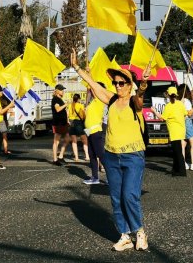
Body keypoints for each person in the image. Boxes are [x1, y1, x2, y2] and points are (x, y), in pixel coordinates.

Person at [72, 50, 149, 252]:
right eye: (115, 83)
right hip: (112, 156)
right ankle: (124, 235)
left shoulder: (134, 102)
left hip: (133, 156)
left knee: (129, 195)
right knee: (116, 197)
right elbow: (95, 86)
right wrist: (78, 68)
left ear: (129, 85)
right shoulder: (113, 100)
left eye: (121, 83)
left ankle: (139, 232)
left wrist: (142, 87)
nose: (117, 86)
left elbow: (140, 99)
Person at [151, 87, 186, 176]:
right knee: (176, 151)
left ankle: (182, 172)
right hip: (181, 130)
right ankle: (175, 170)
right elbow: (186, 114)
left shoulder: (168, 106)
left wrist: (154, 111)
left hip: (174, 131)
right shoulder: (180, 104)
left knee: (178, 152)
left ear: (168, 95)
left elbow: (162, 118)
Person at [83, 84, 106, 184]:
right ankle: (94, 177)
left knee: (101, 155)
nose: (91, 91)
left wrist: (89, 75)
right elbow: (89, 92)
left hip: (96, 131)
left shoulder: (99, 101)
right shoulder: (92, 102)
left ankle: (111, 177)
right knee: (92, 155)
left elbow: (93, 87)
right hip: (89, 132)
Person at [178, 84, 193, 171]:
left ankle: (183, 163)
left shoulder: (178, 101)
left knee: (183, 143)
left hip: (180, 123)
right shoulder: (186, 101)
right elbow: (189, 113)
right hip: (187, 122)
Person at [51, 84, 70, 165]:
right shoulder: (55, 99)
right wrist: (66, 104)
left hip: (63, 123)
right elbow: (58, 109)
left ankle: (61, 156)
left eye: (63, 90)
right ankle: (55, 160)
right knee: (56, 141)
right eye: (61, 90)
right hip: (58, 123)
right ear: (57, 91)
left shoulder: (60, 99)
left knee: (67, 139)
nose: (63, 91)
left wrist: (67, 120)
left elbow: (63, 111)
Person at [68, 93, 89, 161]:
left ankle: (76, 157)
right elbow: (84, 115)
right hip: (78, 123)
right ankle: (87, 156)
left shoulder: (70, 105)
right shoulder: (80, 105)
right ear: (78, 99)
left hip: (71, 123)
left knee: (74, 141)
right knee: (84, 140)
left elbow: (67, 114)